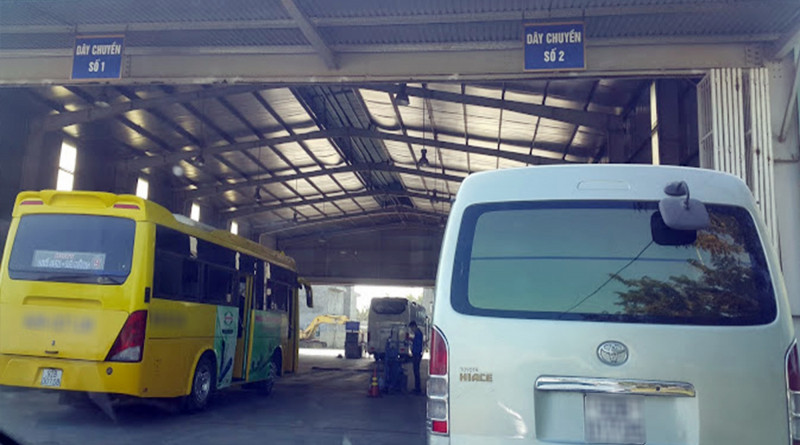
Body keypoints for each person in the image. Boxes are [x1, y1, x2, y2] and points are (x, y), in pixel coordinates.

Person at [408, 321, 424, 394]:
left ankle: (418, 388)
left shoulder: (418, 334)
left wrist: (411, 340)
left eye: (412, 328)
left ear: (414, 326)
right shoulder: (418, 333)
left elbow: (417, 343)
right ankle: (417, 387)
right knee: (415, 371)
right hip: (416, 354)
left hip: (417, 354)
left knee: (416, 371)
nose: (412, 330)